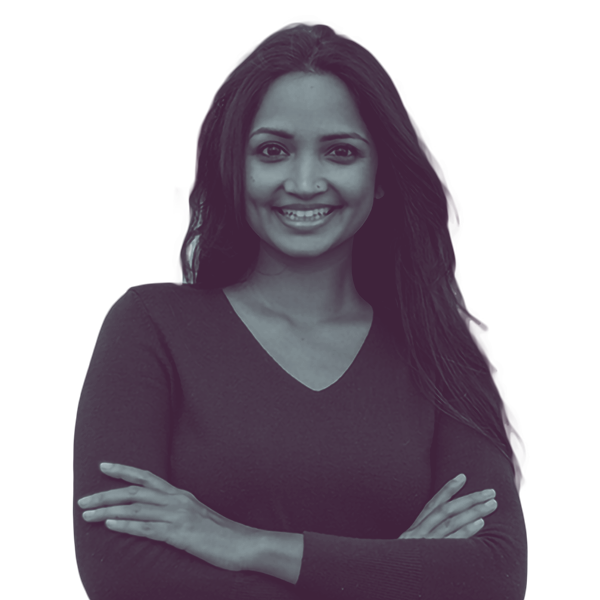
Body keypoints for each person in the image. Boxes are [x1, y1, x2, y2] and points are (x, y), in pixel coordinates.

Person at [73, 23, 528, 600]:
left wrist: (247, 543)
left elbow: (494, 574)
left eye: (340, 152)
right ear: (234, 170)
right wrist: (392, 573)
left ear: (382, 175)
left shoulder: (440, 349)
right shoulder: (151, 325)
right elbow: (120, 573)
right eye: (272, 151)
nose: (305, 181)